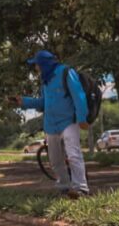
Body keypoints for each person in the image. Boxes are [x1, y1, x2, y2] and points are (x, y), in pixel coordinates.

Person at [11, 50, 90, 198]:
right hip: (51, 124)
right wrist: (24, 101)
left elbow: (78, 95)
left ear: (44, 64)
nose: (36, 68)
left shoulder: (66, 72)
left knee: (73, 154)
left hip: (68, 121)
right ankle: (65, 187)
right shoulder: (45, 80)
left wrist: (82, 118)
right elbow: (43, 103)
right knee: (55, 159)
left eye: (37, 65)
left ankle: (81, 188)